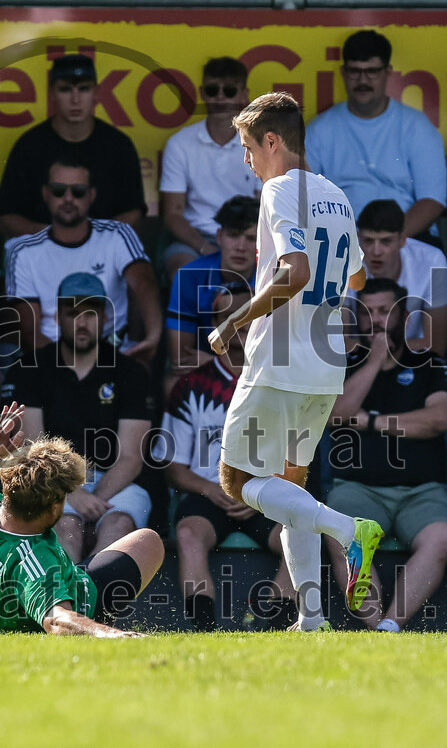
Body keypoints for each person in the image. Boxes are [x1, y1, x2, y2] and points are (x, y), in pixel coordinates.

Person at [208, 91, 383, 632]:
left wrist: (235, 320)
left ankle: (349, 530)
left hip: (278, 359)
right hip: (325, 363)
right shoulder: (336, 194)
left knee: (236, 481)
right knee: (292, 487)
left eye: (247, 147)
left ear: (272, 141)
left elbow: (295, 272)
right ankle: (311, 617)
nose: (246, 160)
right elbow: (357, 278)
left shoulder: (280, 190)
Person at [0, 402, 165, 636]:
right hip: (79, 603)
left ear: (7, 485)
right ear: (53, 507)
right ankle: (89, 612)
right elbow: (58, 620)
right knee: (148, 541)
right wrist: (112, 634)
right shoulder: (34, 559)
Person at [154, 285, 294, 632]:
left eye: (252, 317)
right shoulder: (191, 386)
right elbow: (171, 467)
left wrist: (261, 486)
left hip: (267, 494)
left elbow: (298, 458)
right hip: (208, 495)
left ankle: (273, 627)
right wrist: (214, 489)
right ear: (219, 325)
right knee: (188, 533)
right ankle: (205, 632)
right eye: (234, 318)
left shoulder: (283, 382)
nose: (244, 325)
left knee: (301, 534)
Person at [327, 278, 447, 632]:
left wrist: (370, 421)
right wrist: (373, 362)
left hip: (423, 491)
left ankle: (391, 624)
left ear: (403, 315)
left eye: (385, 311)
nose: (376, 320)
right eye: (368, 312)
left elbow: (440, 419)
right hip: (358, 488)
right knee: (342, 532)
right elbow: (336, 413)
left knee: (442, 537)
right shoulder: (343, 362)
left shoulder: (430, 363)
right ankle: (375, 628)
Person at [2, 273, 153, 563]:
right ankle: (70, 601)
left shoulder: (130, 371)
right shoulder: (31, 368)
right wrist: (72, 494)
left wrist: (94, 498)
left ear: (105, 318)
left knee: (118, 525)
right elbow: (34, 448)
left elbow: (131, 457)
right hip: (49, 481)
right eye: (73, 313)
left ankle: (94, 597)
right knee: (66, 527)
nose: (82, 322)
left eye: (91, 313)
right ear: (57, 317)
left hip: (115, 482)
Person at [5, 156, 161, 365]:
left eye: (78, 191)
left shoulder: (118, 234)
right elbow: (29, 333)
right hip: (51, 359)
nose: (68, 198)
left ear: (91, 195)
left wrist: (152, 338)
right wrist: (75, 370)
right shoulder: (22, 250)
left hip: (114, 354)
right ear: (46, 194)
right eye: (59, 190)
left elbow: (144, 284)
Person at [306, 30, 447, 238]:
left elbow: (432, 201)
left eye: (372, 71)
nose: (363, 80)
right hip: (340, 241)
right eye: (355, 71)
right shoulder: (319, 130)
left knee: (437, 266)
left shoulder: (416, 126)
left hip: (407, 237)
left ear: (388, 72)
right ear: (343, 72)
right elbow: (305, 200)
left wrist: (386, 242)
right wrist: (355, 244)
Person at [0, 53, 145, 238]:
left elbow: (134, 213)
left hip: (102, 252)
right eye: (65, 89)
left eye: (83, 89)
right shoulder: (29, 146)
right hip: (42, 250)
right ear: (51, 94)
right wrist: (57, 237)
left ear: (96, 93)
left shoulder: (119, 145)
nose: (75, 99)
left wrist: (92, 241)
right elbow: (5, 218)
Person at [160, 56, 261, 279]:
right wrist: (208, 250)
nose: (221, 98)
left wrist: (240, 245)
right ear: (203, 93)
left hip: (248, 239)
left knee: (280, 274)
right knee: (183, 272)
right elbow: (173, 215)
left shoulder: (259, 144)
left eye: (230, 91)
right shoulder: (179, 144)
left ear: (244, 95)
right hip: (196, 240)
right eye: (213, 90)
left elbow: (264, 207)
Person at [165, 196, 259, 394]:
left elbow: (278, 357)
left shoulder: (273, 280)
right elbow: (181, 359)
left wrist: (216, 362)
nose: (241, 246)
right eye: (234, 235)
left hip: (258, 375)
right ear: (219, 236)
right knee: (172, 383)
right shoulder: (189, 277)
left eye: (251, 238)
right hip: (203, 374)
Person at [351, 199, 447, 357]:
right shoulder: (345, 263)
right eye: (368, 241)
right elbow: (341, 344)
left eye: (386, 241)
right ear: (358, 238)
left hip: (414, 362)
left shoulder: (434, 259)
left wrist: (380, 352)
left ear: (402, 240)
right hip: (358, 363)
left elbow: (436, 346)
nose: (376, 251)